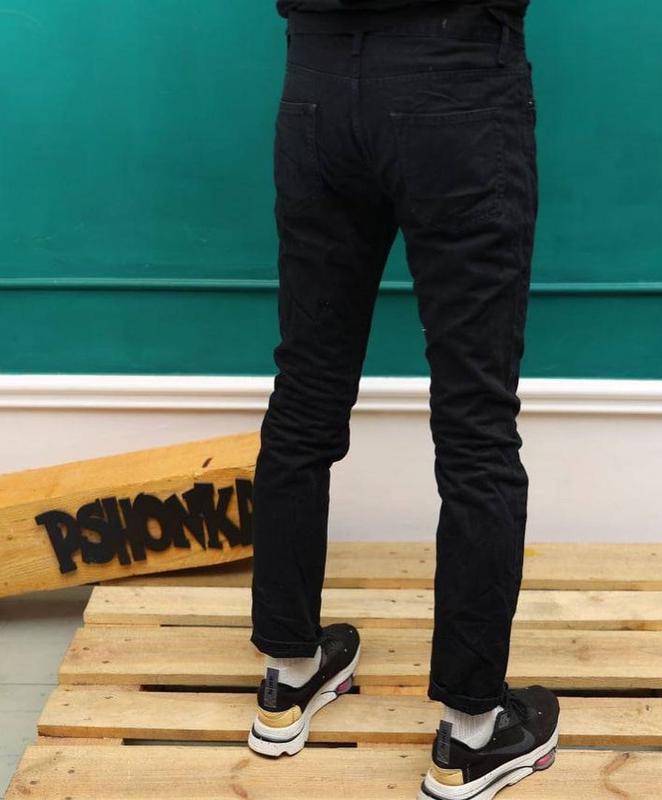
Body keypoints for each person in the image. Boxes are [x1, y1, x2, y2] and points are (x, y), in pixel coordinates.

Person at [248, 0, 560, 797]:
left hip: (318, 80)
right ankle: (471, 736)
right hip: (458, 82)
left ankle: (288, 676)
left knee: (305, 390)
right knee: (475, 418)